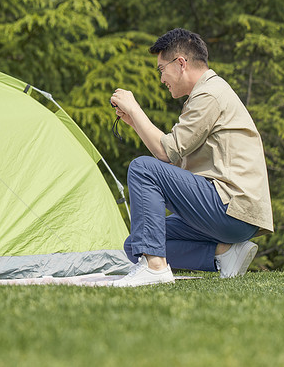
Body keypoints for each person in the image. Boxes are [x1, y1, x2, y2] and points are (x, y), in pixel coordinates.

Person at [109, 28, 274, 287]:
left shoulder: (209, 94)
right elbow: (170, 163)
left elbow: (164, 153)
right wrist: (134, 122)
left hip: (230, 207)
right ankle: (224, 253)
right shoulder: (206, 94)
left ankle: (154, 269)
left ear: (181, 63)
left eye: (161, 69)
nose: (161, 78)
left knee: (141, 168)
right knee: (137, 244)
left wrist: (135, 108)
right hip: (230, 214)